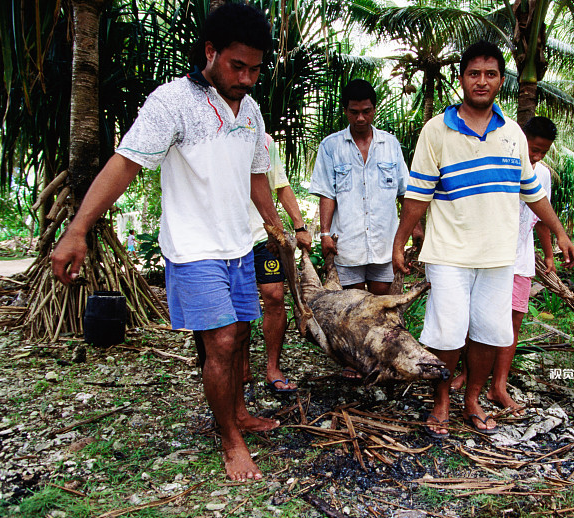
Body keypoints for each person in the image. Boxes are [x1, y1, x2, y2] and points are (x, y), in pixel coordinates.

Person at [51, 3, 280, 481]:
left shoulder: (251, 110)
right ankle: (230, 440)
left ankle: (238, 412)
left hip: (239, 246)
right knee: (220, 341)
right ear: (210, 51)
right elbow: (125, 163)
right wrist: (77, 230)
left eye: (256, 69)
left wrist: (274, 225)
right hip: (194, 248)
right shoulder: (172, 101)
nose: (247, 79)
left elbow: (257, 174)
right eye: (237, 66)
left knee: (240, 335)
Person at [392, 41, 574, 437]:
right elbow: (418, 194)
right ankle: (441, 401)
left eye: (490, 74)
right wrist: (399, 241)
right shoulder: (436, 130)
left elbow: (532, 191)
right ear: (461, 79)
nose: (481, 81)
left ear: (500, 81)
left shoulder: (512, 134)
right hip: (449, 254)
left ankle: (472, 399)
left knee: (489, 332)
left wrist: (560, 232)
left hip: (498, 256)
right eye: (473, 73)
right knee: (447, 333)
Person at [309, 78, 421, 378]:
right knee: (355, 306)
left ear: (374, 110)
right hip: (348, 242)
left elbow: (404, 191)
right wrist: (324, 234)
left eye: (366, 111)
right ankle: (356, 361)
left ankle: (382, 357)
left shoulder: (390, 144)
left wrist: (415, 227)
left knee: (382, 302)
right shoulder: (331, 146)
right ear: (345, 110)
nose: (360, 118)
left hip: (384, 242)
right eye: (354, 112)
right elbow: (327, 193)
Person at [449, 116, 559, 414]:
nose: (537, 157)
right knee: (474, 320)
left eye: (543, 152)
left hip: (520, 260)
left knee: (511, 324)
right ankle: (467, 374)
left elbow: (542, 216)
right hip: (487, 256)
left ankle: (498, 386)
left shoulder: (542, 175)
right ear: (521, 139)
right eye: (534, 149)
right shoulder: (497, 162)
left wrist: (549, 253)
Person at [248, 134, 312, 392]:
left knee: (274, 296)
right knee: (234, 302)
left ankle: (272, 367)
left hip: (263, 234)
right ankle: (240, 364)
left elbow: (281, 185)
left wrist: (299, 226)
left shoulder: (264, 141)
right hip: (226, 238)